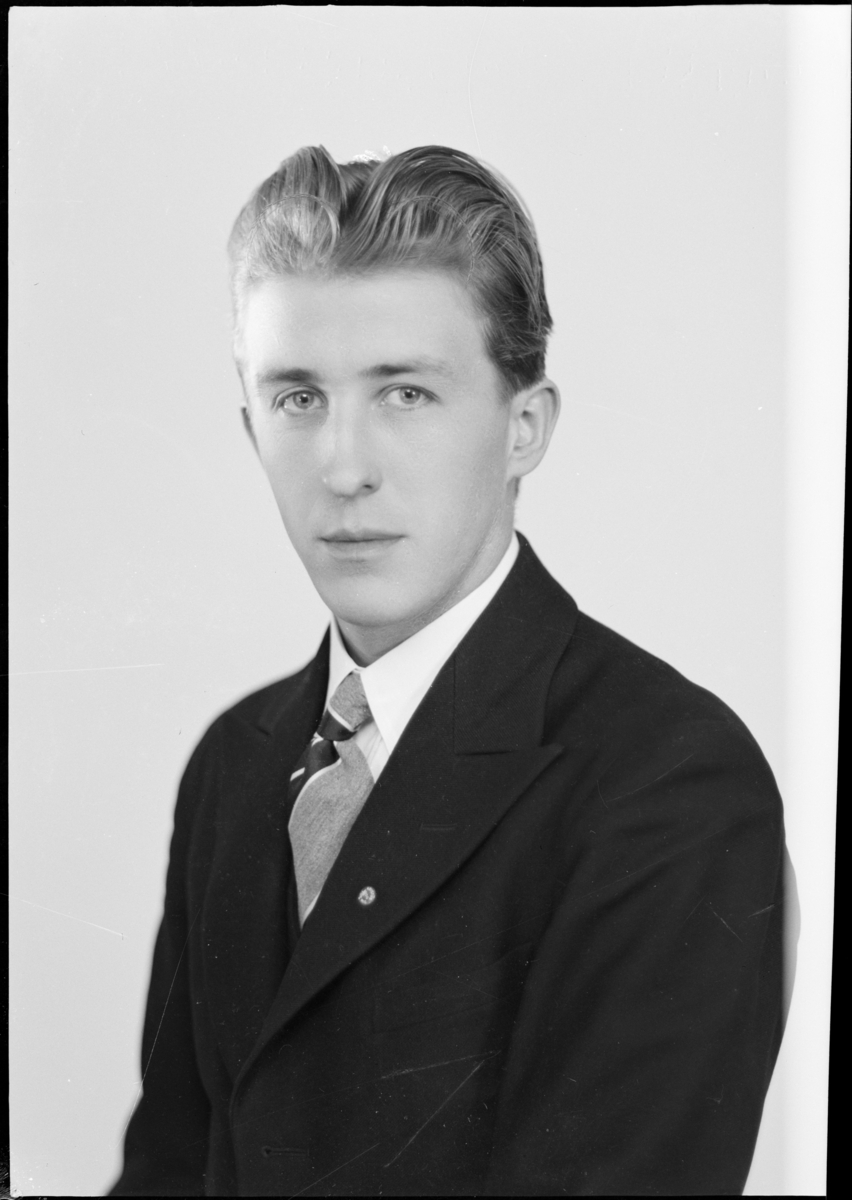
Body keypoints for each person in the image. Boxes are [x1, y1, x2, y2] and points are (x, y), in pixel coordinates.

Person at [110, 145, 788, 1197]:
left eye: (407, 394)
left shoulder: (670, 780)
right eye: (298, 398)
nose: (344, 468)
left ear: (524, 428)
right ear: (251, 430)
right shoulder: (235, 761)